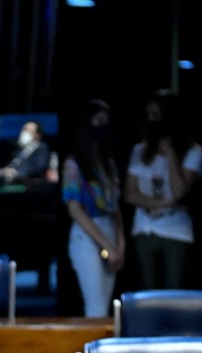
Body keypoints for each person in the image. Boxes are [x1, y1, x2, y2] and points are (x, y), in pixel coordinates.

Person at [124, 89, 202, 289]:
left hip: (175, 229)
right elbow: (130, 193)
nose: (152, 121)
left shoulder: (194, 151)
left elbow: (180, 191)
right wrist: (163, 202)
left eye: (156, 115)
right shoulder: (139, 151)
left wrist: (170, 154)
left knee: (173, 288)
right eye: (149, 115)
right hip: (145, 226)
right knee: (147, 289)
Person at [62, 99, 125, 317]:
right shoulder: (74, 164)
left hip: (109, 230)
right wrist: (107, 245)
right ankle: (95, 351)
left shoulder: (108, 165)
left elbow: (115, 208)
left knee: (106, 307)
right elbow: (75, 210)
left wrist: (120, 245)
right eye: (99, 121)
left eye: (106, 122)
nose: (103, 127)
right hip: (87, 236)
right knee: (96, 307)